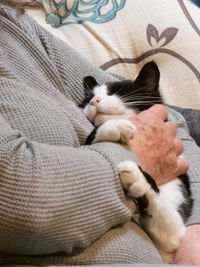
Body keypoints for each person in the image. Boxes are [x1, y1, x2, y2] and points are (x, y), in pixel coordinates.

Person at [0, 1, 199, 265]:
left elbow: (165, 115)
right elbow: (16, 199)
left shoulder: (14, 23)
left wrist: (193, 229)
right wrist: (139, 159)